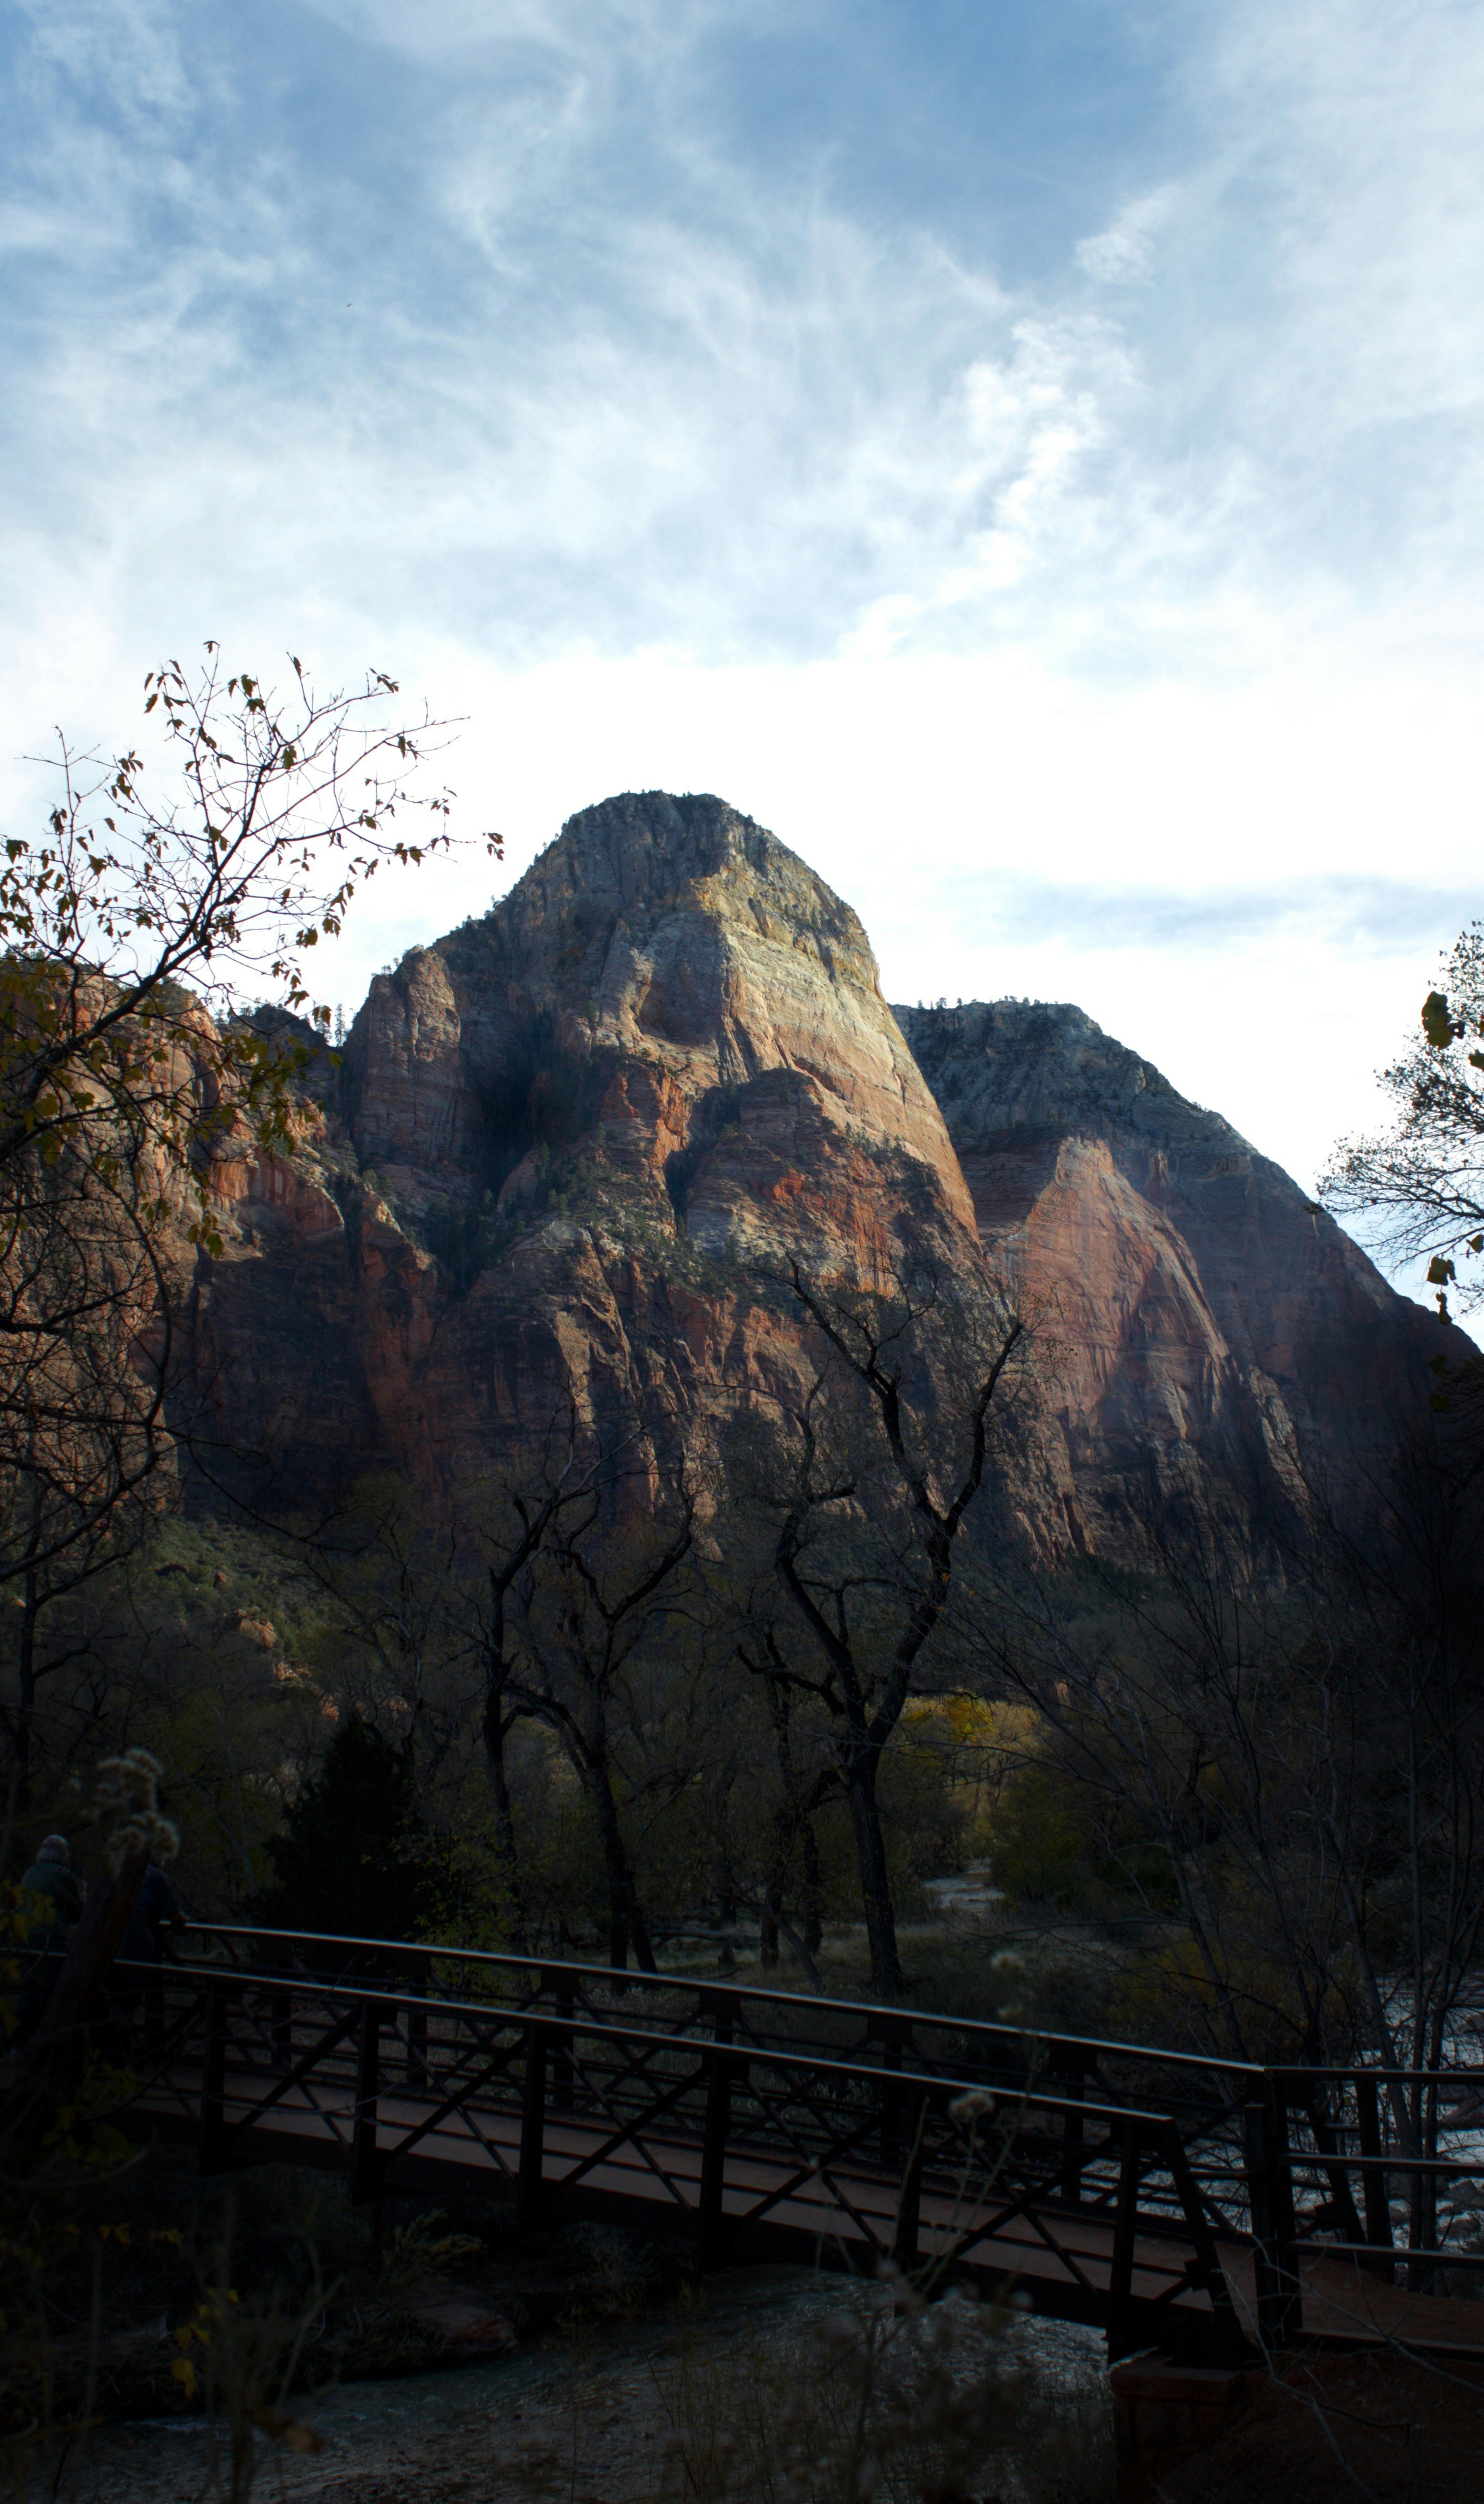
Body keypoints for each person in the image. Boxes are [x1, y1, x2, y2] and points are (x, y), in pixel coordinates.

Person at [14, 1834, 84, 2043]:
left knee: (28, 1992)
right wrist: (82, 1889)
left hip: (25, 1939)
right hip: (50, 1942)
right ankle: (47, 2043)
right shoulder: (64, 1876)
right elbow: (79, 1912)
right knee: (53, 1994)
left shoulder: (30, 1874)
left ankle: (19, 2044)